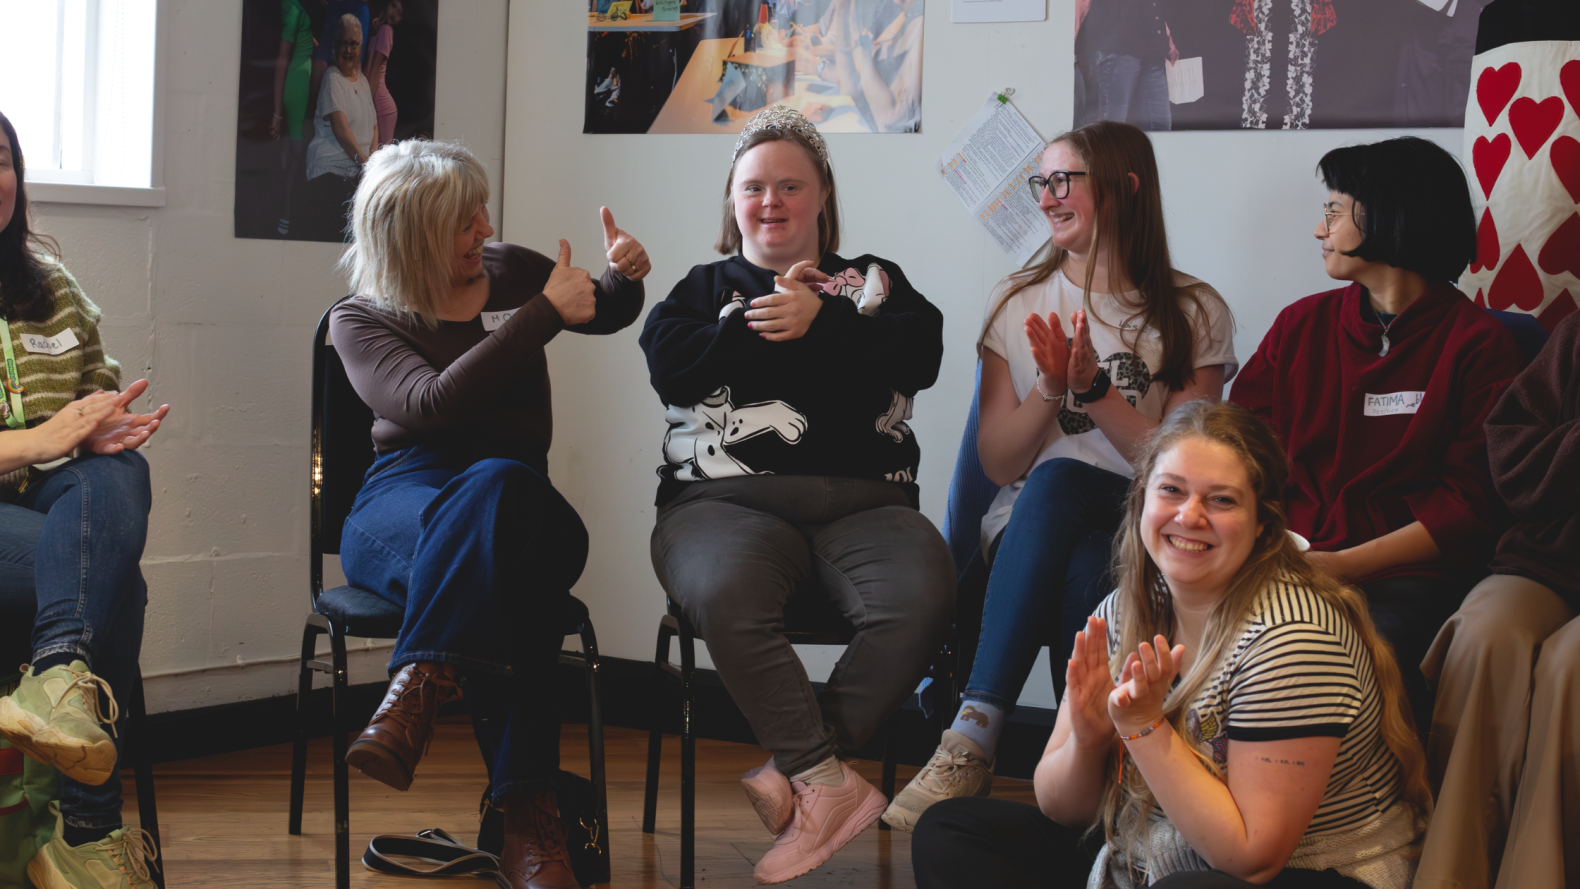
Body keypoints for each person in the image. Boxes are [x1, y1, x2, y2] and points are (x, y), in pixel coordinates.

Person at [913, 400, 1432, 889]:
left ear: (1263, 523)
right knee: (954, 831)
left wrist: (1144, 728)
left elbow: (1253, 857)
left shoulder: (1294, 639)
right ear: (1141, 499)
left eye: (1222, 500)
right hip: (1156, 853)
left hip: (1308, 872)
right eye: (1172, 490)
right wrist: (1089, 740)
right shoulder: (1121, 610)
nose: (1189, 516)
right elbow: (1061, 808)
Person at [882, 120, 1237, 832]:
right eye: (1040, 182)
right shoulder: (1017, 301)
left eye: (1062, 180)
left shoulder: (1195, 311)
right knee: (1062, 512)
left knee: (1076, 499)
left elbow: (1184, 473)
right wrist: (1049, 387)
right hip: (1034, 528)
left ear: (1123, 188)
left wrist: (1096, 392)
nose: (1046, 198)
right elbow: (1000, 464)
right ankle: (1077, 767)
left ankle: (976, 732)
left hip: (1145, 521)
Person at [638, 105, 952, 884]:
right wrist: (753, 323)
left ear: (821, 197)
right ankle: (824, 778)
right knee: (720, 586)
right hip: (722, 506)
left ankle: (803, 773)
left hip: (868, 503)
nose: (770, 201)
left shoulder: (872, 281)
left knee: (926, 590)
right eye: (753, 187)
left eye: (789, 185)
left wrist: (829, 318)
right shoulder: (703, 289)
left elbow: (923, 354)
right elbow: (672, 368)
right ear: (732, 202)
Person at [330, 139, 648, 889]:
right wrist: (540, 315)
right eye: (462, 219)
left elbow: (601, 309)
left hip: (523, 503)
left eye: (480, 210)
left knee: (500, 483)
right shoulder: (360, 317)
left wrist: (624, 278)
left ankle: (417, 682)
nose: (484, 228)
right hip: (407, 499)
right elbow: (430, 404)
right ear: (409, 230)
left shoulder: (508, 268)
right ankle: (530, 826)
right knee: (520, 593)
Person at [1229, 136, 1523, 733]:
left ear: (1388, 215)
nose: (1319, 229)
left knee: (1355, 661)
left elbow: (1469, 507)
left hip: (1401, 581)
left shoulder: (1480, 347)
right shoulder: (1300, 326)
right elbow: (1240, 450)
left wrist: (1342, 567)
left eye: (1334, 212)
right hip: (1288, 557)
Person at [0, 110, 171, 889]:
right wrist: (37, 439)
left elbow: (94, 383)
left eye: (3, 160)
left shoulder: (52, 283)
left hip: (57, 495)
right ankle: (85, 830)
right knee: (117, 582)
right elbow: (44, 439)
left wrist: (98, 422)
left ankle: (60, 679)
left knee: (122, 471)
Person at [1414, 312, 1580, 889]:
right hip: (1550, 560)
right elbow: (1512, 459)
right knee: (1485, 633)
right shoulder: (1576, 332)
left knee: (1570, 666)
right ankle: (1445, 875)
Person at [304, 14, 377, 241]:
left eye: (353, 43)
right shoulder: (332, 78)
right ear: (335, 46)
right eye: (344, 42)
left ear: (360, 47)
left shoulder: (363, 82)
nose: (348, 49)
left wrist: (372, 165)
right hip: (331, 172)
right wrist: (367, 166)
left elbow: (375, 127)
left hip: (357, 173)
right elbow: (341, 131)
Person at [1084, 0, 1178, 131]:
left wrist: (1168, 39)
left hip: (1153, 50)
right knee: (1113, 125)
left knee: (1160, 124)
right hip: (1120, 49)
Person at [270, 0, 317, 236]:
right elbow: (281, 61)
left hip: (299, 77)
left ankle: (285, 205)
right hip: (296, 84)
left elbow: (300, 36)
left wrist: (311, 42)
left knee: (291, 148)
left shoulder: (291, 6)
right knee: (297, 151)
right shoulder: (294, 11)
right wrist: (277, 113)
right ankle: (286, 211)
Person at [363, 0, 403, 148]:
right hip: (375, 97)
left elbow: (375, 68)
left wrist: (366, 103)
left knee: (384, 159)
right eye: (393, 6)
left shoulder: (386, 30)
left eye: (399, 13)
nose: (394, 13)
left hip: (381, 104)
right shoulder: (377, 26)